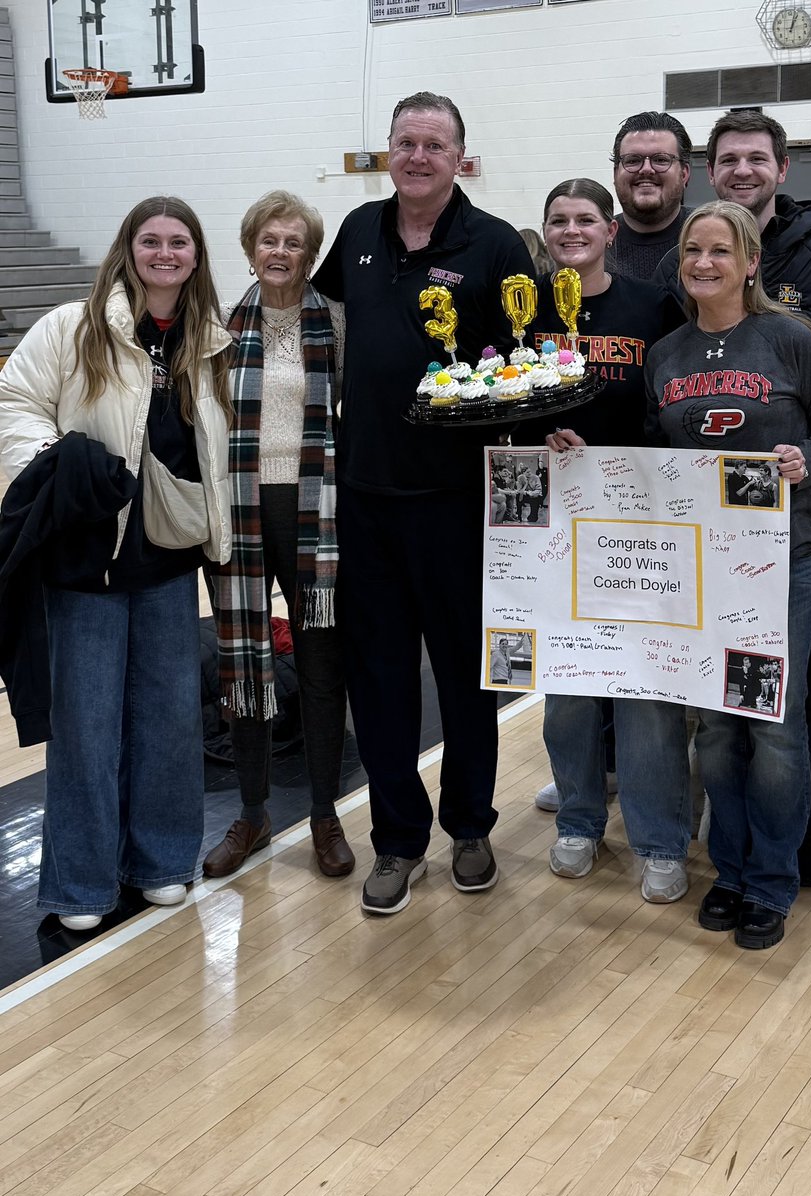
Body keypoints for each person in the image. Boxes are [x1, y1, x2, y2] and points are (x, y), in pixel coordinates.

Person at [313, 91, 534, 916]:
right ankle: (398, 840)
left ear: (459, 158)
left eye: (434, 144)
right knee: (379, 682)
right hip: (366, 500)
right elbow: (324, 326)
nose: (417, 156)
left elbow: (524, 365)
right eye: (405, 142)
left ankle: (470, 826)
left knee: (469, 677)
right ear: (389, 150)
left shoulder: (496, 244)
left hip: (457, 504)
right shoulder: (359, 231)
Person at [655, 108, 811, 888]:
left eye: (722, 250)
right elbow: (654, 456)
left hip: (790, 554)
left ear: (750, 261)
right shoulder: (666, 355)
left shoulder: (793, 332)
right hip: (703, 563)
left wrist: (804, 460)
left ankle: (780, 870)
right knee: (717, 726)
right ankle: (729, 866)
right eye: (695, 250)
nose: (707, 260)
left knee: (782, 719)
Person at [0, 197, 233, 931]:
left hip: (167, 562)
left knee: (168, 725)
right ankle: (81, 885)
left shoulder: (208, 341)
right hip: (85, 562)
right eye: (151, 241)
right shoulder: (73, 327)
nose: (165, 253)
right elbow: (15, 397)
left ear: (196, 256)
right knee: (86, 729)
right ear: (127, 249)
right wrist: (50, 462)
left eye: (179, 242)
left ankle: (163, 862)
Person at [524, 177, 692, 903]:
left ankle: (659, 839)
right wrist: (537, 437)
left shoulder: (650, 305)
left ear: (610, 230)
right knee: (567, 686)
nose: (571, 230)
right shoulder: (523, 308)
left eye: (584, 219)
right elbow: (498, 393)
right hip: (553, 522)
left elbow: (671, 401)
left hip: (638, 521)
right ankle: (580, 821)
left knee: (645, 686)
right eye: (558, 220)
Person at [202, 191, 354, 882]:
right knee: (244, 661)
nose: (281, 252)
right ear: (249, 246)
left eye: (295, 242)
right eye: (270, 240)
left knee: (322, 667)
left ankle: (325, 813)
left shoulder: (339, 321)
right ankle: (254, 811)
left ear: (311, 253)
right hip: (238, 510)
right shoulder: (217, 327)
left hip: (315, 511)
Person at [607, 111, 693, 281]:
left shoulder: (716, 237)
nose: (646, 169)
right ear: (616, 174)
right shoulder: (595, 245)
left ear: (684, 174)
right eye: (632, 160)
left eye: (661, 159)